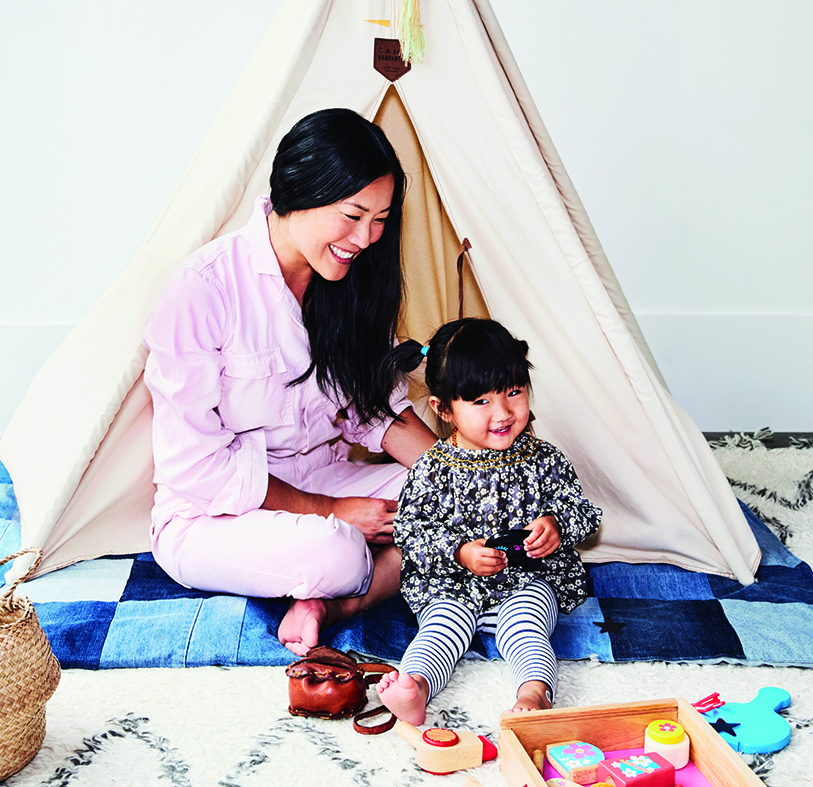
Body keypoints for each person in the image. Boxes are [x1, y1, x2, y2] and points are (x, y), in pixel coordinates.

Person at [142, 108, 436, 656]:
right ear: (298, 192)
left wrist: (470, 481)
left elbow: (374, 409)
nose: (366, 238)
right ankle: (345, 578)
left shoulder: (346, 283)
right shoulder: (203, 289)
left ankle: (331, 604)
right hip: (214, 515)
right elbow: (194, 467)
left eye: (380, 220)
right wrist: (330, 510)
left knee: (448, 505)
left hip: (322, 477)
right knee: (340, 553)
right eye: (352, 215)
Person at [375, 318, 602, 721]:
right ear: (443, 408)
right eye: (481, 401)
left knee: (528, 630)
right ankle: (417, 687)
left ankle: (535, 694)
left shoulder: (543, 458)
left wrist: (557, 524)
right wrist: (460, 552)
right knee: (440, 630)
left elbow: (582, 511)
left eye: (514, 392)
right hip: (453, 584)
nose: (503, 412)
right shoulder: (432, 468)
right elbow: (412, 532)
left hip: (527, 579)